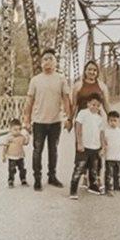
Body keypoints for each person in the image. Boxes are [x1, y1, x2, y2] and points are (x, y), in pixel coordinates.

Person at [26, 58, 70, 188]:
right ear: (41, 62)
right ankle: (37, 179)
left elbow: (66, 99)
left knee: (53, 150)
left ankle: (52, 176)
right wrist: (26, 120)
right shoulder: (35, 80)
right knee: (37, 150)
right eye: (44, 59)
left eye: (51, 59)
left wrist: (69, 117)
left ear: (55, 62)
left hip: (55, 121)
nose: (47, 62)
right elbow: (29, 101)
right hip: (39, 121)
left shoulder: (61, 79)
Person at [69, 97, 106, 195]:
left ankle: (93, 186)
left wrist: (103, 147)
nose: (95, 107)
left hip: (95, 147)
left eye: (98, 106)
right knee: (79, 168)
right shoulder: (83, 113)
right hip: (84, 147)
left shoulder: (99, 118)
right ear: (88, 104)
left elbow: (102, 133)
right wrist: (79, 142)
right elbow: (78, 128)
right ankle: (73, 190)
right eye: (93, 104)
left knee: (94, 169)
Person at [104, 106, 120, 195]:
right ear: (108, 121)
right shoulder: (106, 131)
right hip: (109, 156)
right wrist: (103, 148)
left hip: (118, 156)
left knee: (117, 173)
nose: (113, 122)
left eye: (115, 120)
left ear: (119, 121)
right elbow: (104, 142)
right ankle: (108, 188)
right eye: (111, 120)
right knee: (109, 174)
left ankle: (117, 185)